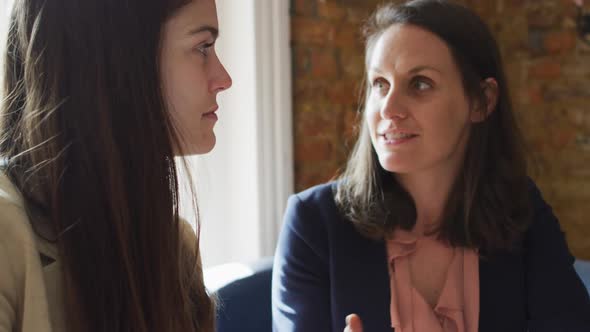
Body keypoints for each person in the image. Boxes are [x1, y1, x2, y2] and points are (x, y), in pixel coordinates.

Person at [271, 1, 590, 332]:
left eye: (420, 83)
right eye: (380, 84)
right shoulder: (313, 224)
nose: (389, 108)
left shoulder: (523, 213)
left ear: (482, 101)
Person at [0, 0, 231, 331]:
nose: (224, 78)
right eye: (203, 47)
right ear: (116, 58)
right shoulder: (6, 237)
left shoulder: (174, 247)